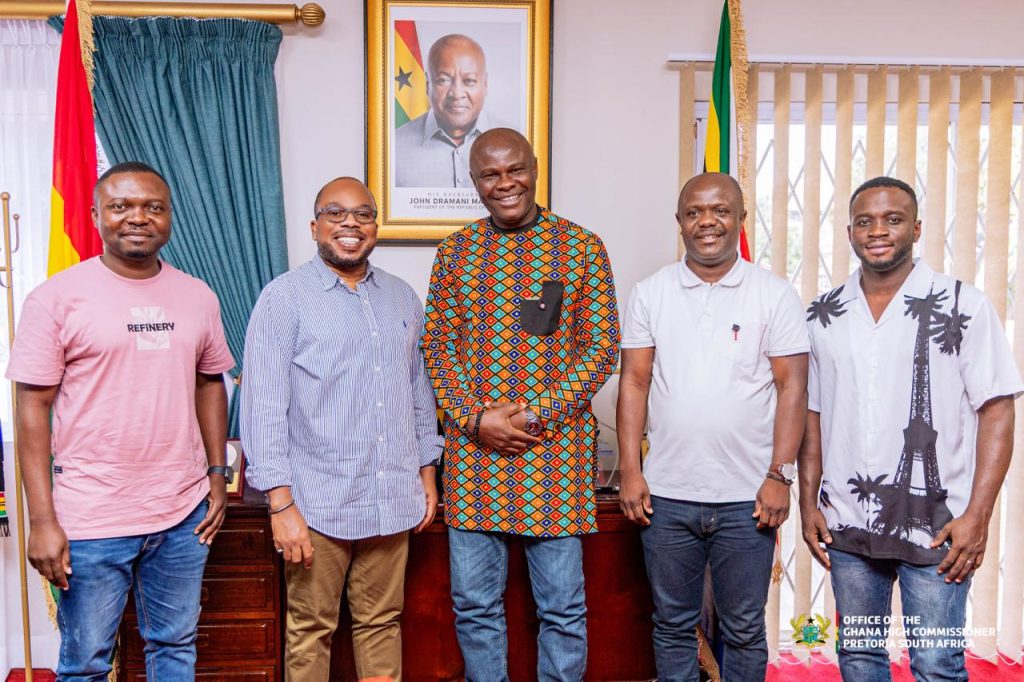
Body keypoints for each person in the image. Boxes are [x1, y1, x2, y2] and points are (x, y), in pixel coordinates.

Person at [8, 161, 235, 680]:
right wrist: (42, 521)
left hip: (182, 513)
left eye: (153, 206)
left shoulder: (198, 295)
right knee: (86, 665)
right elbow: (31, 408)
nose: (138, 217)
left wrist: (217, 475)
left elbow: (210, 384)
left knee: (174, 647)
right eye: (121, 206)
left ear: (170, 216)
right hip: (92, 517)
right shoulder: (55, 299)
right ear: (96, 216)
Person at [799, 176, 1022, 681]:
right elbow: (812, 414)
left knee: (937, 663)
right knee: (859, 658)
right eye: (865, 221)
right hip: (846, 519)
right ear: (850, 232)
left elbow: (997, 410)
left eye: (893, 219)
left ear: (916, 229)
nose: (878, 231)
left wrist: (978, 515)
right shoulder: (821, 314)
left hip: (940, 523)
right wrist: (808, 502)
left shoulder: (963, 304)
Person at [422, 128, 619, 681]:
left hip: (553, 456)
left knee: (562, 610)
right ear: (474, 181)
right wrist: (474, 418)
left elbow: (601, 349)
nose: (505, 183)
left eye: (515, 170)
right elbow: (437, 344)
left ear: (535, 168)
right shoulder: (455, 252)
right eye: (490, 174)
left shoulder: (581, 247)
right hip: (474, 459)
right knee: (475, 606)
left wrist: (534, 415)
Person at [241, 176, 442, 682]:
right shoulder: (283, 299)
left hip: (391, 497)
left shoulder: (402, 298)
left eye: (363, 214)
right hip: (316, 504)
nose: (350, 223)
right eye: (336, 213)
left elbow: (418, 390)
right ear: (315, 227)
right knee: (311, 628)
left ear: (376, 227)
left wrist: (426, 470)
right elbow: (263, 406)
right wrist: (280, 505)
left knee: (382, 623)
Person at [617, 172, 809, 681]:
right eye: (694, 212)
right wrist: (631, 472)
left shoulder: (774, 294)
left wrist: (780, 475)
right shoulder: (651, 293)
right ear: (679, 222)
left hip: (747, 498)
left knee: (743, 627)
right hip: (667, 496)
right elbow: (634, 382)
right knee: (671, 624)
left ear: (740, 219)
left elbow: (792, 387)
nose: (707, 221)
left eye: (720, 210)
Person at [395, 33, 502, 188]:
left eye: (469, 81)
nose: (456, 94)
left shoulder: (516, 140)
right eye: (443, 80)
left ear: (485, 84)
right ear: (428, 84)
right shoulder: (394, 146)